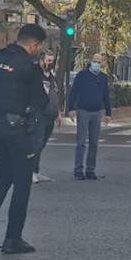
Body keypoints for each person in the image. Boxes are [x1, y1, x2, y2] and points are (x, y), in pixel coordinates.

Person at [0, 23, 51, 254]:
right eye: (38, 47)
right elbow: (40, 101)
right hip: (16, 129)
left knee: (3, 175)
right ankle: (13, 238)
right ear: (33, 45)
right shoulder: (28, 66)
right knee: (22, 183)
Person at [66, 52, 112, 181]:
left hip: (96, 112)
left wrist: (108, 113)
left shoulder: (103, 78)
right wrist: (70, 108)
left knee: (94, 143)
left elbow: (106, 96)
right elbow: (73, 92)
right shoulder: (82, 75)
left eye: (99, 61)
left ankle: (90, 169)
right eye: (95, 61)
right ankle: (78, 170)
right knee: (81, 142)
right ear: (91, 61)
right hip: (83, 111)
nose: (97, 63)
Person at [34, 52, 61, 183]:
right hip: (39, 115)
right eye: (48, 60)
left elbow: (55, 95)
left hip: (50, 116)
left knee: (42, 144)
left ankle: (36, 171)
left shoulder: (52, 78)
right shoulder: (36, 76)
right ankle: (30, 172)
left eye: (52, 61)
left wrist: (58, 113)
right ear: (42, 60)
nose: (50, 63)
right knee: (36, 144)